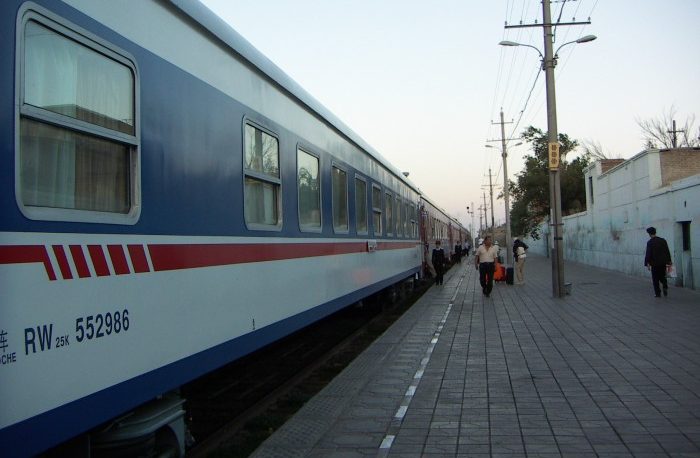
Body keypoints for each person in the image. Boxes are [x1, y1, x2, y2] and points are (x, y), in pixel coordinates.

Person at [644, 226, 672, 297]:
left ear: (649, 234)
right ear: (655, 232)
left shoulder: (650, 242)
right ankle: (665, 286)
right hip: (663, 263)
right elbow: (667, 251)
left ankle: (657, 293)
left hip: (655, 264)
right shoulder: (663, 240)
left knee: (655, 279)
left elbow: (648, 253)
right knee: (663, 276)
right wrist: (669, 261)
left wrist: (647, 263)